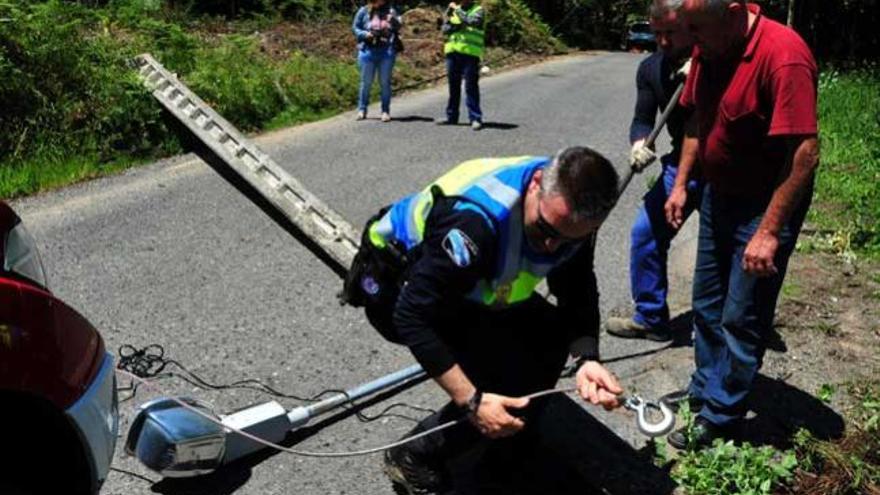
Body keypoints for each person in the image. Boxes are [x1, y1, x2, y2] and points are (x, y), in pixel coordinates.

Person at [341, 147, 624, 493]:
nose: (553, 246)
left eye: (569, 238)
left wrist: (587, 358)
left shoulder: (570, 213)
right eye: (545, 230)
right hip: (395, 287)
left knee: (551, 338)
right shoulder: (475, 225)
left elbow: (576, 282)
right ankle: (415, 456)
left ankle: (508, 446)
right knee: (506, 372)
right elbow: (412, 316)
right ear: (536, 184)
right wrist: (473, 402)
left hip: (468, 284)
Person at [663, 0, 820, 449]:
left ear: (733, 14)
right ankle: (704, 388)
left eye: (697, 29)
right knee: (707, 302)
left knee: (742, 314)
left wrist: (768, 231)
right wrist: (681, 186)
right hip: (718, 195)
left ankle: (721, 414)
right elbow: (697, 121)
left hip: (763, 203)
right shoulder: (708, 45)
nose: (690, 41)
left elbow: (805, 154)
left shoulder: (783, 54)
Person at [605, 0, 701, 343]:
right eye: (656, 33)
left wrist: (704, 73)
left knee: (724, 248)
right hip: (681, 165)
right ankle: (650, 316)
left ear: (690, 26)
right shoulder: (650, 69)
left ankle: (726, 326)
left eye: (670, 33)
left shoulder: (716, 59)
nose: (662, 41)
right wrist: (639, 142)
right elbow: (643, 117)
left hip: (724, 167)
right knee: (646, 233)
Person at [438, 1, 485, 130]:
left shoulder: (478, 10)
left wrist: (457, 12)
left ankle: (475, 118)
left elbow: (472, 22)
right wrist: (452, 26)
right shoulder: (454, 10)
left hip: (470, 53)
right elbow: (444, 29)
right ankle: (451, 117)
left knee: (471, 86)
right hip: (452, 52)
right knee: (453, 86)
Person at [352, 0, 402, 122]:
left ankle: (385, 111)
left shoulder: (391, 10)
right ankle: (362, 109)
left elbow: (399, 26)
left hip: (386, 51)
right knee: (366, 82)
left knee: (385, 82)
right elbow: (355, 27)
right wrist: (365, 34)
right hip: (367, 51)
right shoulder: (363, 11)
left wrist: (393, 20)